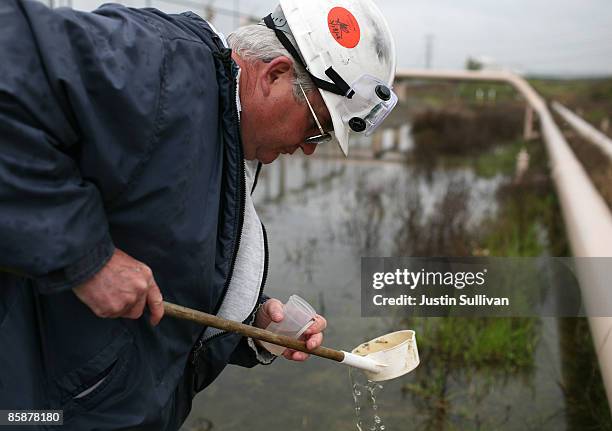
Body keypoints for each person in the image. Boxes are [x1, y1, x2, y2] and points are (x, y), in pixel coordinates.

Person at [0, 0, 397, 429]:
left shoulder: (232, 129)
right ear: (276, 75)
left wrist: (252, 325)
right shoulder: (158, 65)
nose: (306, 147)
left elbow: (165, 253)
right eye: (316, 127)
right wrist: (86, 258)